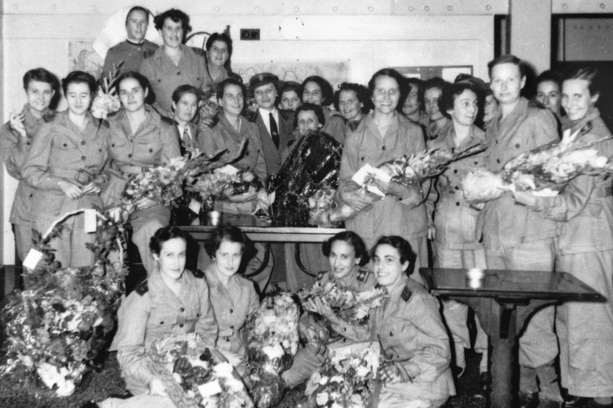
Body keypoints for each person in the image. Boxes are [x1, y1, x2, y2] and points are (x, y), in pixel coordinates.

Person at [513, 67, 613, 408]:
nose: (569, 103)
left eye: (577, 96)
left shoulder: (593, 138)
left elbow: (572, 203)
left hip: (589, 241)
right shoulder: (573, 130)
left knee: (592, 327)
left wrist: (533, 199)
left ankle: (601, 398)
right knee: (573, 324)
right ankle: (584, 394)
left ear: (594, 97)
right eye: (566, 96)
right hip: (573, 241)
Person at [480, 54, 561, 406]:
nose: (503, 87)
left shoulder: (540, 117)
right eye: (496, 81)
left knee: (537, 315)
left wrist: (506, 184)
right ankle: (524, 388)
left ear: (522, 81)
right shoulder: (494, 123)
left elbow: (552, 174)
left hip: (529, 231)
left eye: (509, 80)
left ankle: (551, 392)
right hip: (498, 232)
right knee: (508, 316)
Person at [337, 68, 429, 274]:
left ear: (400, 95)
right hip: (366, 229)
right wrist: (345, 194)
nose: (386, 97)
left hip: (404, 226)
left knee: (409, 294)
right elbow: (344, 180)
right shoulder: (355, 135)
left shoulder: (413, 132)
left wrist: (394, 188)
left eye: (393, 91)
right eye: (380, 91)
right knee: (368, 297)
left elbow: (423, 187)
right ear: (371, 95)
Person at [428, 82, 489, 383]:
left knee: (483, 293)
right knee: (451, 295)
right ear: (450, 108)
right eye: (466, 103)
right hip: (448, 226)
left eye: (476, 103)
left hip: (480, 227)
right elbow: (428, 189)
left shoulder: (489, 140)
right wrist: (429, 218)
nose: (473, 109)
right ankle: (458, 354)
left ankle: (489, 356)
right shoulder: (435, 145)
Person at [113, 226, 218, 396]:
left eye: (181, 254)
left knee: (230, 388)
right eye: (169, 255)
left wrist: (201, 363)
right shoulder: (142, 297)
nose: (177, 263)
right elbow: (128, 353)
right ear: (156, 256)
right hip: (150, 368)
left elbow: (207, 330)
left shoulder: (198, 284)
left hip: (190, 362)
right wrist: (150, 379)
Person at [22, 71, 109, 268]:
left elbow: (108, 169)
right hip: (52, 207)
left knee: (85, 270)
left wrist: (98, 182)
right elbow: (31, 170)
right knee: (50, 272)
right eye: (72, 95)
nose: (78, 101)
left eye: (84, 95)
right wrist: (61, 183)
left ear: (92, 96)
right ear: (65, 95)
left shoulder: (102, 129)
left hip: (86, 207)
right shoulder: (50, 124)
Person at [103, 71, 180, 276]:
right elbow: (99, 162)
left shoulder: (165, 126)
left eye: (135, 91)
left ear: (145, 92)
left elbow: (174, 172)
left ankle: (159, 290)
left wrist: (155, 197)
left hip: (151, 193)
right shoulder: (108, 123)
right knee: (100, 232)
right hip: (113, 191)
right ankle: (108, 296)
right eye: (124, 92)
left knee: (152, 229)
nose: (130, 97)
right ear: (118, 96)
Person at [197, 77, 270, 293]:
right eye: (230, 96)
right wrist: (231, 187)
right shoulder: (210, 127)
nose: (236, 100)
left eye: (240, 96)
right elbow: (205, 171)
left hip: (251, 203)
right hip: (223, 206)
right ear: (219, 100)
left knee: (263, 262)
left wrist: (258, 184)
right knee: (219, 263)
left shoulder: (251, 126)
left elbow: (261, 165)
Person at [367, 236, 454, 407]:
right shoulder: (379, 293)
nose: (380, 267)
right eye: (377, 260)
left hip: (424, 381)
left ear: (404, 265)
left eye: (389, 260)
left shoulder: (417, 299)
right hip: (392, 376)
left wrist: (405, 370)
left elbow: (440, 350)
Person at [282, 231, 376, 388]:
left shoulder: (368, 285)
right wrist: (307, 325)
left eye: (344, 257)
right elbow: (308, 319)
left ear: (357, 259)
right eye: (333, 255)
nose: (337, 263)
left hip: (354, 352)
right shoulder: (325, 279)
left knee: (327, 390)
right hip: (321, 349)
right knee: (285, 378)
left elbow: (368, 335)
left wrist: (332, 318)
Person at [0, 67, 59, 263]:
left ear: (53, 93)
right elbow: (17, 170)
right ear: (26, 91)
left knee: (59, 271)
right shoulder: (11, 128)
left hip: (58, 208)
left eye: (45, 92)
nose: (40, 98)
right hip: (27, 211)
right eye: (35, 91)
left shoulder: (63, 123)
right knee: (32, 270)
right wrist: (23, 137)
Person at [202, 226, 259, 358]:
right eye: (224, 255)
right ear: (213, 254)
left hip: (241, 356)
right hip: (207, 356)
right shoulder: (199, 285)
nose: (230, 262)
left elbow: (255, 329)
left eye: (236, 255)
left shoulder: (248, 287)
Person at [139, 8, 206, 118]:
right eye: (169, 28)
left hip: (194, 125)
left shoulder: (198, 59)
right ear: (160, 32)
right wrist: (163, 113)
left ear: (183, 31)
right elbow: (142, 100)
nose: (174, 33)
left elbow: (206, 91)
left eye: (178, 28)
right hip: (162, 124)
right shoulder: (148, 64)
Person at [247, 72, 294, 176]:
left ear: (276, 92)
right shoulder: (248, 124)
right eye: (259, 92)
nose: (264, 96)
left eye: (268, 90)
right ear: (254, 96)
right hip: (263, 183)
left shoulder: (292, 118)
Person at [101, 6, 158, 79]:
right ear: (127, 25)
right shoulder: (114, 52)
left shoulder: (156, 50)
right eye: (134, 21)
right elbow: (106, 84)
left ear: (147, 26)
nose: (139, 26)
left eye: (143, 21)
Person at [301, 75, 346, 144]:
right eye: (306, 92)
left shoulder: (336, 122)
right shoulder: (296, 119)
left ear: (323, 97)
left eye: (315, 93)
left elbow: (341, 152)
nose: (309, 97)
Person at [171, 84, 201, 154]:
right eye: (185, 103)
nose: (189, 109)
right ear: (174, 105)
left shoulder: (198, 131)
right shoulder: (164, 131)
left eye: (193, 105)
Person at [424, 77, 452, 142]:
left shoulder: (455, 130)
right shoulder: (426, 131)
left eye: (436, 101)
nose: (431, 105)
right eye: (427, 101)